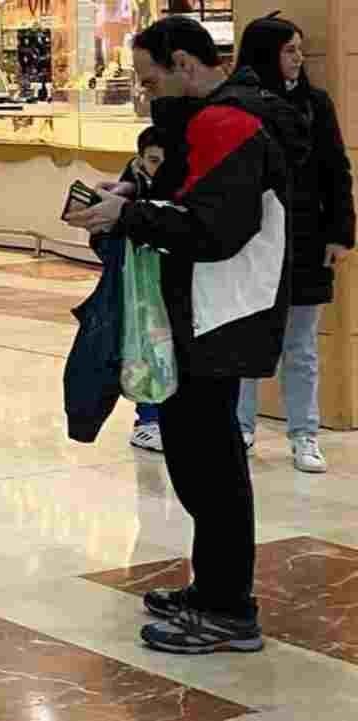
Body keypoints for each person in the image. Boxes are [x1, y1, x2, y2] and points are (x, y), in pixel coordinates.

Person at [67, 16, 308, 654]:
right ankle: (213, 590)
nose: (146, 95)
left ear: (183, 62)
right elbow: (194, 199)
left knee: (210, 465)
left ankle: (229, 609)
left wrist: (131, 214)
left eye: (150, 80)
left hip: (217, 314)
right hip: (212, 312)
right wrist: (135, 192)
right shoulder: (216, 119)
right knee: (200, 459)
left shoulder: (226, 122)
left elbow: (212, 229)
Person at [233, 14, 355, 472]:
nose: (299, 59)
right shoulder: (240, 105)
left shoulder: (315, 105)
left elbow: (335, 172)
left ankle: (304, 433)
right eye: (290, 50)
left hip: (306, 242)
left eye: (301, 50)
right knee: (246, 340)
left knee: (301, 346)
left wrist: (342, 232)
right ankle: (240, 427)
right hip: (253, 243)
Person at [126, 127, 169, 454]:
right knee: (145, 346)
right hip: (140, 282)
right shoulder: (130, 187)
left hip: (170, 278)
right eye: (153, 160)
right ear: (141, 159)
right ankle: (146, 419)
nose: (159, 168)